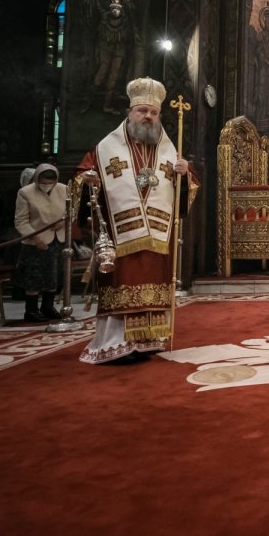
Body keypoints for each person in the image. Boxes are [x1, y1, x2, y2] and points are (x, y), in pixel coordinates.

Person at [77, 77, 198, 364]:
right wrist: (88, 181)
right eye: (143, 111)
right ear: (130, 113)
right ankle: (114, 344)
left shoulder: (169, 150)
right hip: (122, 236)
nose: (148, 117)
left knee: (152, 284)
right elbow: (81, 177)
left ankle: (147, 340)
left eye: (153, 113)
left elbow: (187, 192)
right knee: (123, 282)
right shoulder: (105, 148)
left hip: (157, 236)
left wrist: (186, 174)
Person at [13, 164, 68, 323]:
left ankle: (48, 306)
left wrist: (64, 222)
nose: (47, 184)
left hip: (58, 238)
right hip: (35, 240)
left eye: (51, 181)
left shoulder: (64, 189)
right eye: (44, 181)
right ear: (37, 178)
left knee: (54, 274)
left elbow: (70, 212)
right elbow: (21, 221)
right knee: (34, 276)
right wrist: (36, 238)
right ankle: (31, 310)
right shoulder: (25, 193)